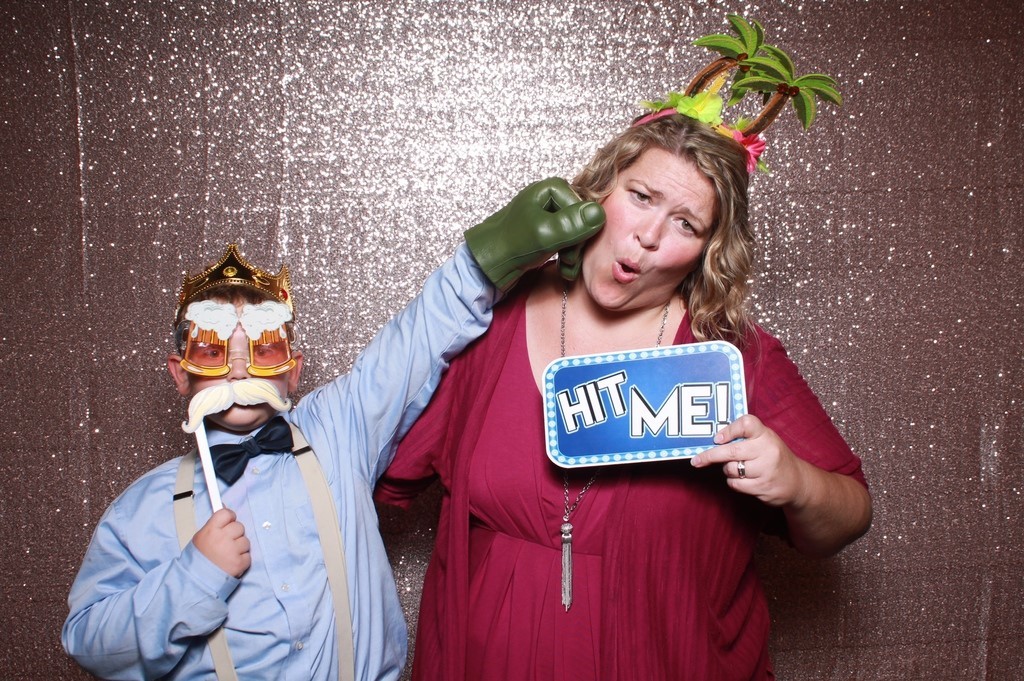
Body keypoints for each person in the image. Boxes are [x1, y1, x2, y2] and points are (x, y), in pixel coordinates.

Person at [374, 25, 873, 681]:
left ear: (708, 250)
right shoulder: (488, 318)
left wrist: (797, 482)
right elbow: (369, 469)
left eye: (686, 223)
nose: (648, 236)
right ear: (600, 189)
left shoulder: (731, 356)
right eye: (641, 197)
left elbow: (848, 515)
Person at [60, 179, 605, 681]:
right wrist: (193, 577)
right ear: (180, 373)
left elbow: (414, 342)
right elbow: (88, 641)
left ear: (293, 370)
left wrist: (486, 256)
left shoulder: (337, 430)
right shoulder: (143, 510)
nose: (239, 369)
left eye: (263, 347)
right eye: (213, 349)